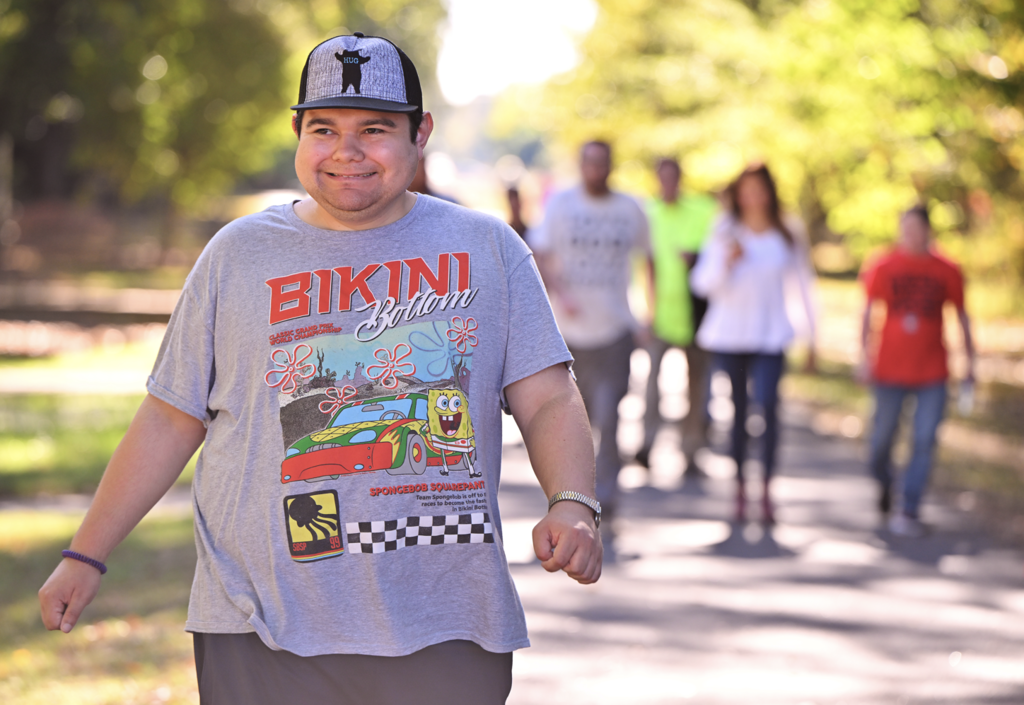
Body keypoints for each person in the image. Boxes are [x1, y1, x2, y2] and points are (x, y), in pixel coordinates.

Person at [38, 33, 601, 705]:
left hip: (447, 620)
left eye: (375, 128)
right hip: (260, 625)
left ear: (420, 132)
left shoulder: (486, 250)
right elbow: (170, 415)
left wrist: (573, 502)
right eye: (325, 128)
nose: (347, 151)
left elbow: (547, 397)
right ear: (298, 131)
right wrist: (85, 553)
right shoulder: (238, 255)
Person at [529, 140, 650, 548]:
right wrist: (559, 294)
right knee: (573, 422)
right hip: (569, 333)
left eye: (603, 162)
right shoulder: (562, 205)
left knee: (610, 417)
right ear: (581, 165)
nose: (595, 169)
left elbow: (648, 260)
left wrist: (648, 313)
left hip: (616, 328)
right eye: (589, 162)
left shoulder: (630, 209)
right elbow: (540, 253)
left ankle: (609, 499)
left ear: (611, 166)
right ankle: (573, 500)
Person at [690, 163, 816, 524]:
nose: (752, 196)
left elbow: (804, 284)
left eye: (759, 189)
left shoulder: (787, 231)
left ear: (769, 192)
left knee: (769, 410)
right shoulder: (725, 229)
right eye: (746, 189)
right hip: (730, 337)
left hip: (772, 336)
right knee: (740, 414)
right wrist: (726, 263)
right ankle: (741, 490)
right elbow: (702, 284)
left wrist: (812, 336)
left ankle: (768, 490)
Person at [858, 205, 975, 538]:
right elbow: (867, 312)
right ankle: (885, 485)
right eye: (904, 228)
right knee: (880, 442)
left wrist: (970, 364)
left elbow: (963, 316)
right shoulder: (883, 265)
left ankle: (908, 509)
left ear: (927, 231)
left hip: (932, 373)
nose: (909, 234)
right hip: (888, 371)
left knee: (924, 441)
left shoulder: (947, 269)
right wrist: (863, 357)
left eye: (915, 228)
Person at [636, 157, 717, 478]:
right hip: (658, 315)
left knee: (696, 386)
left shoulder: (704, 211)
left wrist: (697, 257)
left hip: (696, 316)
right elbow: (640, 267)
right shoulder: (647, 214)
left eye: (674, 177)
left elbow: (717, 254)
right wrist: (644, 311)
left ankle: (691, 448)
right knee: (652, 384)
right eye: (663, 177)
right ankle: (647, 443)